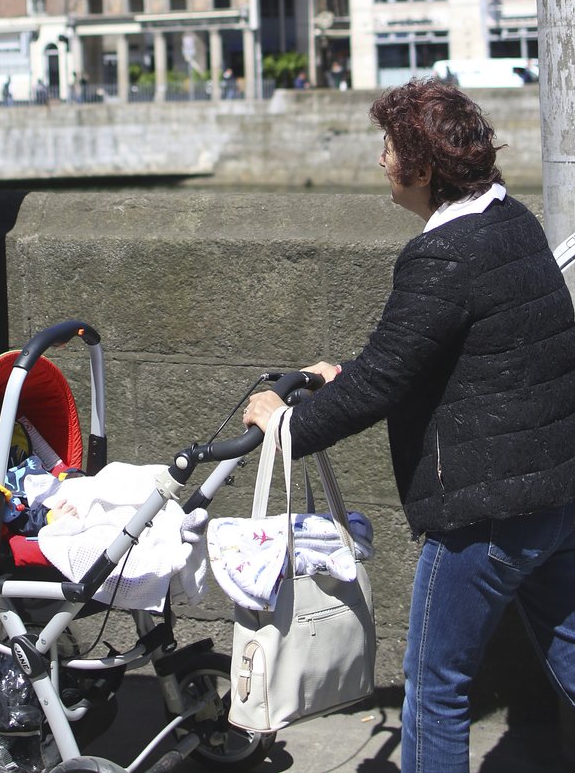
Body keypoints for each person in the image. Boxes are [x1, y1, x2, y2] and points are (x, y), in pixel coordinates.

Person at [243, 76, 575, 773]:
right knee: (571, 650)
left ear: (422, 168)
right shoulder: (511, 221)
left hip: (484, 515)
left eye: (389, 148)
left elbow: (385, 383)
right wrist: (346, 372)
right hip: (555, 494)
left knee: (435, 686)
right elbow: (420, 352)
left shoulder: (440, 254)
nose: (381, 161)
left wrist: (286, 425)